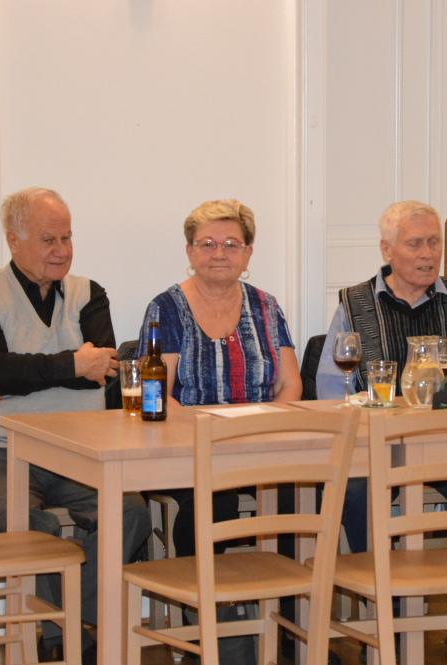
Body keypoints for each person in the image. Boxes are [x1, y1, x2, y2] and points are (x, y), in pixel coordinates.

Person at [0, 187, 151, 663]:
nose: (61, 250)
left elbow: (102, 372)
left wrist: (19, 376)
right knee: (29, 523)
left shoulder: (89, 294)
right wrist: (70, 365)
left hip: (77, 451)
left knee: (131, 512)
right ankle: (71, 634)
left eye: (67, 238)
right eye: (48, 240)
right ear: (13, 240)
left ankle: (71, 620)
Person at [136, 198, 302, 663]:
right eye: (207, 243)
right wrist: (207, 431)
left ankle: (289, 631)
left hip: (261, 446)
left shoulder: (266, 306)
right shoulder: (166, 308)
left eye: (232, 244)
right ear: (189, 251)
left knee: (300, 502)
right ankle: (214, 631)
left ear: (248, 253)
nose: (219, 253)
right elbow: (157, 392)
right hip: (189, 450)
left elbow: (290, 384)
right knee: (213, 503)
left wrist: (267, 427)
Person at [315, 200, 447, 553]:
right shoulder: (354, 302)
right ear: (387, 250)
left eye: (434, 242)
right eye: (415, 244)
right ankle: (380, 581)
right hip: (374, 446)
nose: (427, 254)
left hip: (445, 442)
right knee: (356, 491)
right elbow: (330, 387)